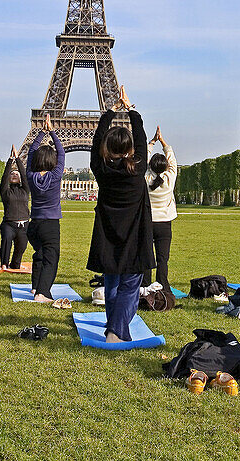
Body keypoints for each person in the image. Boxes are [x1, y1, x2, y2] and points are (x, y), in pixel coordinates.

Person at [87, 86, 155, 342]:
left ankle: (112, 326)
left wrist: (110, 112)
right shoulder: (137, 168)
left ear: (106, 147)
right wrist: (131, 112)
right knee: (130, 283)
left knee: (112, 280)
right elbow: (140, 138)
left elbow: (96, 141)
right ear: (131, 149)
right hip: (134, 232)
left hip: (108, 232)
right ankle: (116, 330)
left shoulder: (101, 168)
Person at [27, 113, 66, 303]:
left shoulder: (30, 176)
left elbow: (31, 153)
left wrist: (42, 133)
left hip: (33, 224)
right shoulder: (56, 175)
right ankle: (42, 293)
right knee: (51, 258)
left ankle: (36, 286)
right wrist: (53, 133)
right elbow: (62, 153)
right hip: (50, 224)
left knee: (40, 255)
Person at [144, 125, 177, 288]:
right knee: (163, 258)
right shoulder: (170, 177)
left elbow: (143, 158)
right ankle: (162, 283)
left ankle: (145, 284)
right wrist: (162, 141)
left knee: (146, 255)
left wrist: (151, 143)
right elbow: (171, 159)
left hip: (147, 222)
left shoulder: (145, 178)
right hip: (164, 223)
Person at [0, 145, 30, 270]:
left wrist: (18, 159)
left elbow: (24, 174)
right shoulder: (5, 191)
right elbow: (4, 178)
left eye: (17, 173)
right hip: (9, 224)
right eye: (12, 173)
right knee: (6, 241)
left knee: (21, 247)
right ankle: (4, 263)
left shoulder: (25, 190)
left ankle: (15, 264)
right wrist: (10, 160)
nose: (15, 175)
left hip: (24, 225)